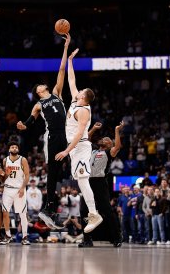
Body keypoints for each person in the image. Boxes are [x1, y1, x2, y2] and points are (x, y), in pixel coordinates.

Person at [16, 34, 71, 229]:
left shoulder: (56, 93)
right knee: (53, 173)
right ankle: (48, 209)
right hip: (53, 136)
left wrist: (65, 48)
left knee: (76, 169)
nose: (42, 84)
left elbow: (62, 69)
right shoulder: (39, 104)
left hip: (68, 134)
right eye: (39, 85)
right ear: (38, 91)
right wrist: (24, 125)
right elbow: (30, 121)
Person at [55, 48, 102, 234]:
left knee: (83, 181)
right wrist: (71, 61)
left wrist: (67, 151)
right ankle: (93, 213)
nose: (78, 90)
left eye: (81, 91)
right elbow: (71, 80)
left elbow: (80, 133)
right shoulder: (76, 100)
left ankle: (94, 213)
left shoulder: (83, 111)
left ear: (84, 97)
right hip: (75, 149)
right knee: (81, 181)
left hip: (80, 147)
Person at [78, 121, 124, 247]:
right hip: (87, 181)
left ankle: (117, 237)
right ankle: (87, 240)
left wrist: (116, 130)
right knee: (83, 210)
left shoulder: (109, 153)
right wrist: (93, 128)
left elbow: (118, 146)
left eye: (106, 139)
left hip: (99, 183)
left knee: (107, 211)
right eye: (103, 138)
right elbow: (85, 139)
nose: (103, 139)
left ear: (109, 144)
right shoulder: (93, 150)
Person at [0, 142, 31, 245]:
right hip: (7, 189)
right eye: (12, 147)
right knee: (5, 212)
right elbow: (4, 178)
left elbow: (27, 176)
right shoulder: (5, 160)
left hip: (19, 189)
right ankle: (8, 236)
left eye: (16, 147)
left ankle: (25, 237)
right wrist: (2, 175)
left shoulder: (23, 160)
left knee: (22, 214)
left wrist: (23, 188)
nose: (14, 148)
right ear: (9, 149)